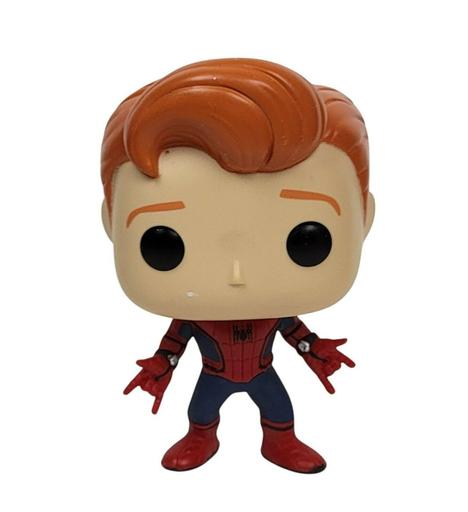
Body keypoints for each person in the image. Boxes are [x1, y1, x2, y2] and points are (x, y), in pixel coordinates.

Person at [100, 58, 375, 473]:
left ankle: (280, 441)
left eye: (307, 240)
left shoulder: (276, 314)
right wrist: (160, 367)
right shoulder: (194, 319)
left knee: (279, 408)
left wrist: (316, 349)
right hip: (213, 374)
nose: (236, 274)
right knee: (201, 411)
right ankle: (201, 437)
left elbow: (296, 333)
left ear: (363, 219)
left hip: (262, 372)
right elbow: (173, 345)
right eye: (163, 244)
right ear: (111, 224)